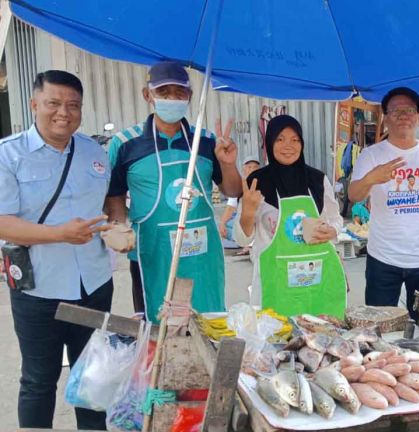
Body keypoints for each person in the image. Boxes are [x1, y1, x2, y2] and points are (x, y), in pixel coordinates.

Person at [0, 70, 113, 429]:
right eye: (53, 103)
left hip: (94, 285)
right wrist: (59, 234)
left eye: (73, 105)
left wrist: (117, 227)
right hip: (38, 290)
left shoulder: (94, 151)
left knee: (92, 378)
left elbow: (108, 205)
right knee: (38, 381)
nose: (63, 112)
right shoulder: (9, 155)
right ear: (35, 104)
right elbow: (2, 222)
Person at [105, 61, 242, 321]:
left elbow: (232, 191)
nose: (172, 98)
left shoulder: (206, 140)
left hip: (203, 255)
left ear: (189, 97)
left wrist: (228, 163)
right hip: (152, 253)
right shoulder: (125, 144)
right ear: (148, 95)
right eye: (164, 92)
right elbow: (115, 195)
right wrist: (116, 226)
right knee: (158, 327)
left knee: (208, 322)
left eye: (180, 93)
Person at [348, 87, 419, 321]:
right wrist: (372, 178)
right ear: (385, 117)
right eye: (395, 110)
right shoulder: (371, 155)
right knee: (379, 326)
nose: (403, 115)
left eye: (409, 110)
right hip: (383, 259)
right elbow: (353, 195)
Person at [234, 115, 346, 316]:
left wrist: (332, 231)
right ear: (269, 142)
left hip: (316, 284)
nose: (288, 146)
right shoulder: (257, 182)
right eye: (280, 139)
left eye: (295, 140)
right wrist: (248, 212)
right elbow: (242, 238)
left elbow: (336, 219)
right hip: (275, 286)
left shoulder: (317, 179)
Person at [219, 155, 260, 244]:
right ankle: (248, 242)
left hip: (258, 219)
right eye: (249, 167)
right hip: (244, 217)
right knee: (225, 225)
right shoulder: (238, 186)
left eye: (255, 167)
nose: (252, 169)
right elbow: (230, 207)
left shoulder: (264, 182)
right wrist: (222, 223)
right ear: (243, 169)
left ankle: (249, 243)